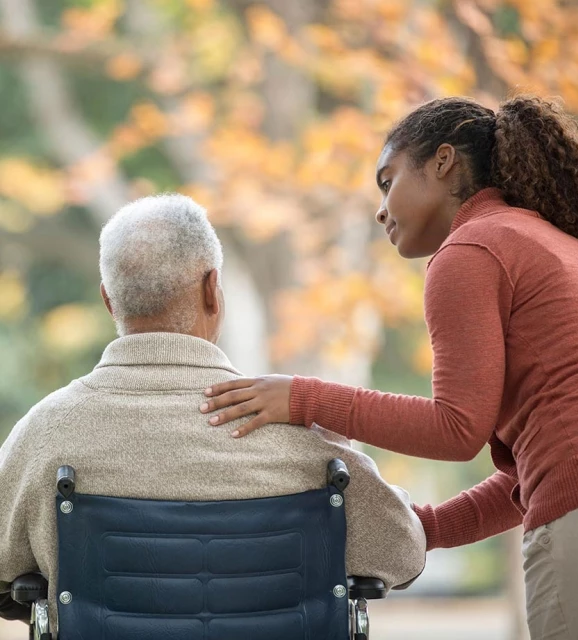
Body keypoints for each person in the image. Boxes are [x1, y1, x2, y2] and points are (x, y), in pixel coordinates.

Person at [200, 95, 578, 640]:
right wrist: (424, 529)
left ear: (443, 161)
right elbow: (534, 474)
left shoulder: (471, 250)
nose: (381, 209)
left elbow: (456, 429)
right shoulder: (560, 247)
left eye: (387, 181)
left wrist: (302, 397)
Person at [0, 194, 426, 631]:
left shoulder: (46, 433)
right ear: (212, 289)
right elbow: (402, 554)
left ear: (109, 300)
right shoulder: (306, 436)